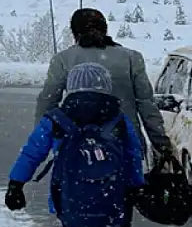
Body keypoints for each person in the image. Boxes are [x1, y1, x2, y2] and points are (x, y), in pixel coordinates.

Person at [5, 62, 145, 227]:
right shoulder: (118, 118)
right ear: (106, 86)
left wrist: (17, 183)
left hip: (71, 195)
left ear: (71, 87)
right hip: (112, 194)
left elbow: (32, 151)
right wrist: (136, 185)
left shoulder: (57, 118)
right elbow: (133, 155)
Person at [35, 8, 173, 158]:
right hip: (125, 143)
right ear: (105, 29)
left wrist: (41, 142)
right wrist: (161, 143)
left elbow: (47, 102)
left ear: (75, 32)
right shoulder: (131, 58)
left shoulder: (62, 59)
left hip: (77, 146)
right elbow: (146, 104)